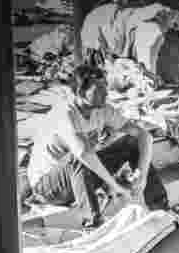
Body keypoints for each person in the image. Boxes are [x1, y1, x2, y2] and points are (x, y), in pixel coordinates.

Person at [26, 64, 169, 228]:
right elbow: (85, 155)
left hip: (80, 177)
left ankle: (161, 210)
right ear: (80, 93)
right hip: (49, 187)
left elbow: (144, 136)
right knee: (79, 158)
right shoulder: (65, 114)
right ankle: (93, 223)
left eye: (105, 87)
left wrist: (142, 175)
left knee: (130, 142)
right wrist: (116, 187)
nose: (106, 93)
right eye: (99, 89)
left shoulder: (103, 110)